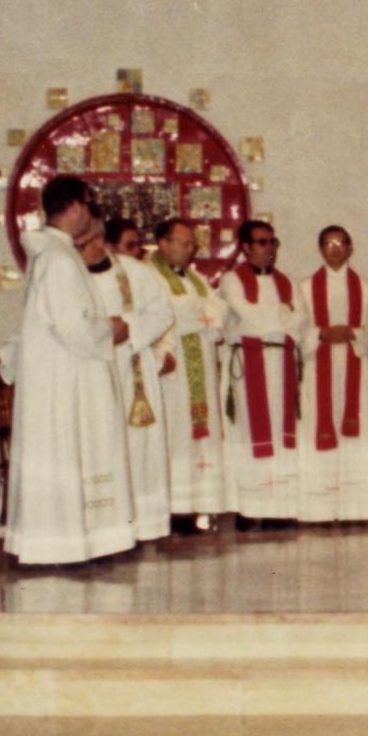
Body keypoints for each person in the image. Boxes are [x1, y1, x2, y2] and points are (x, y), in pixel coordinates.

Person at [0, 177, 137, 564]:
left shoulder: (56, 255)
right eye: (89, 207)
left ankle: (76, 543)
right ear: (75, 205)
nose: (91, 216)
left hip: (66, 374)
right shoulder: (57, 259)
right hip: (65, 381)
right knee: (66, 452)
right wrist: (113, 329)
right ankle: (59, 546)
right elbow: (72, 326)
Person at [85, 217, 174, 543]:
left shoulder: (135, 272)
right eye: (86, 241)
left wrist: (127, 332)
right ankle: (106, 526)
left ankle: (143, 524)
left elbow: (163, 312)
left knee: (139, 444)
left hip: (134, 367)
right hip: (93, 369)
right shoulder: (74, 274)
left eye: (96, 239)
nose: (93, 247)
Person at [221, 219, 304, 528]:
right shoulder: (233, 279)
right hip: (250, 362)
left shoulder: (288, 282)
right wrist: (281, 316)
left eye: (273, 241)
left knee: (282, 435)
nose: (269, 248)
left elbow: (301, 320)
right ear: (245, 247)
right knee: (249, 433)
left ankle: (279, 508)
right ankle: (249, 508)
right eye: (262, 242)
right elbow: (248, 316)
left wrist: (278, 320)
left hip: (281, 362)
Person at [148, 218, 230, 533]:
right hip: (173, 368)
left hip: (200, 366)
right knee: (175, 434)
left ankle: (200, 506)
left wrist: (195, 312)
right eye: (184, 242)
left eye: (192, 243)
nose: (190, 248)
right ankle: (173, 509)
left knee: (200, 434)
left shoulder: (196, 278)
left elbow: (217, 311)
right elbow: (173, 312)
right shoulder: (151, 276)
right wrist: (199, 313)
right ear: (163, 243)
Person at [297, 226, 368, 523]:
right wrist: (321, 333)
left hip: (354, 365)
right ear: (320, 248)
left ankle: (356, 509)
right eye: (328, 243)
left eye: (340, 243)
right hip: (320, 363)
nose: (334, 249)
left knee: (355, 428)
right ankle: (320, 509)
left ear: (350, 247)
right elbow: (298, 328)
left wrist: (353, 333)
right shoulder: (304, 288)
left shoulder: (366, 288)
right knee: (320, 421)